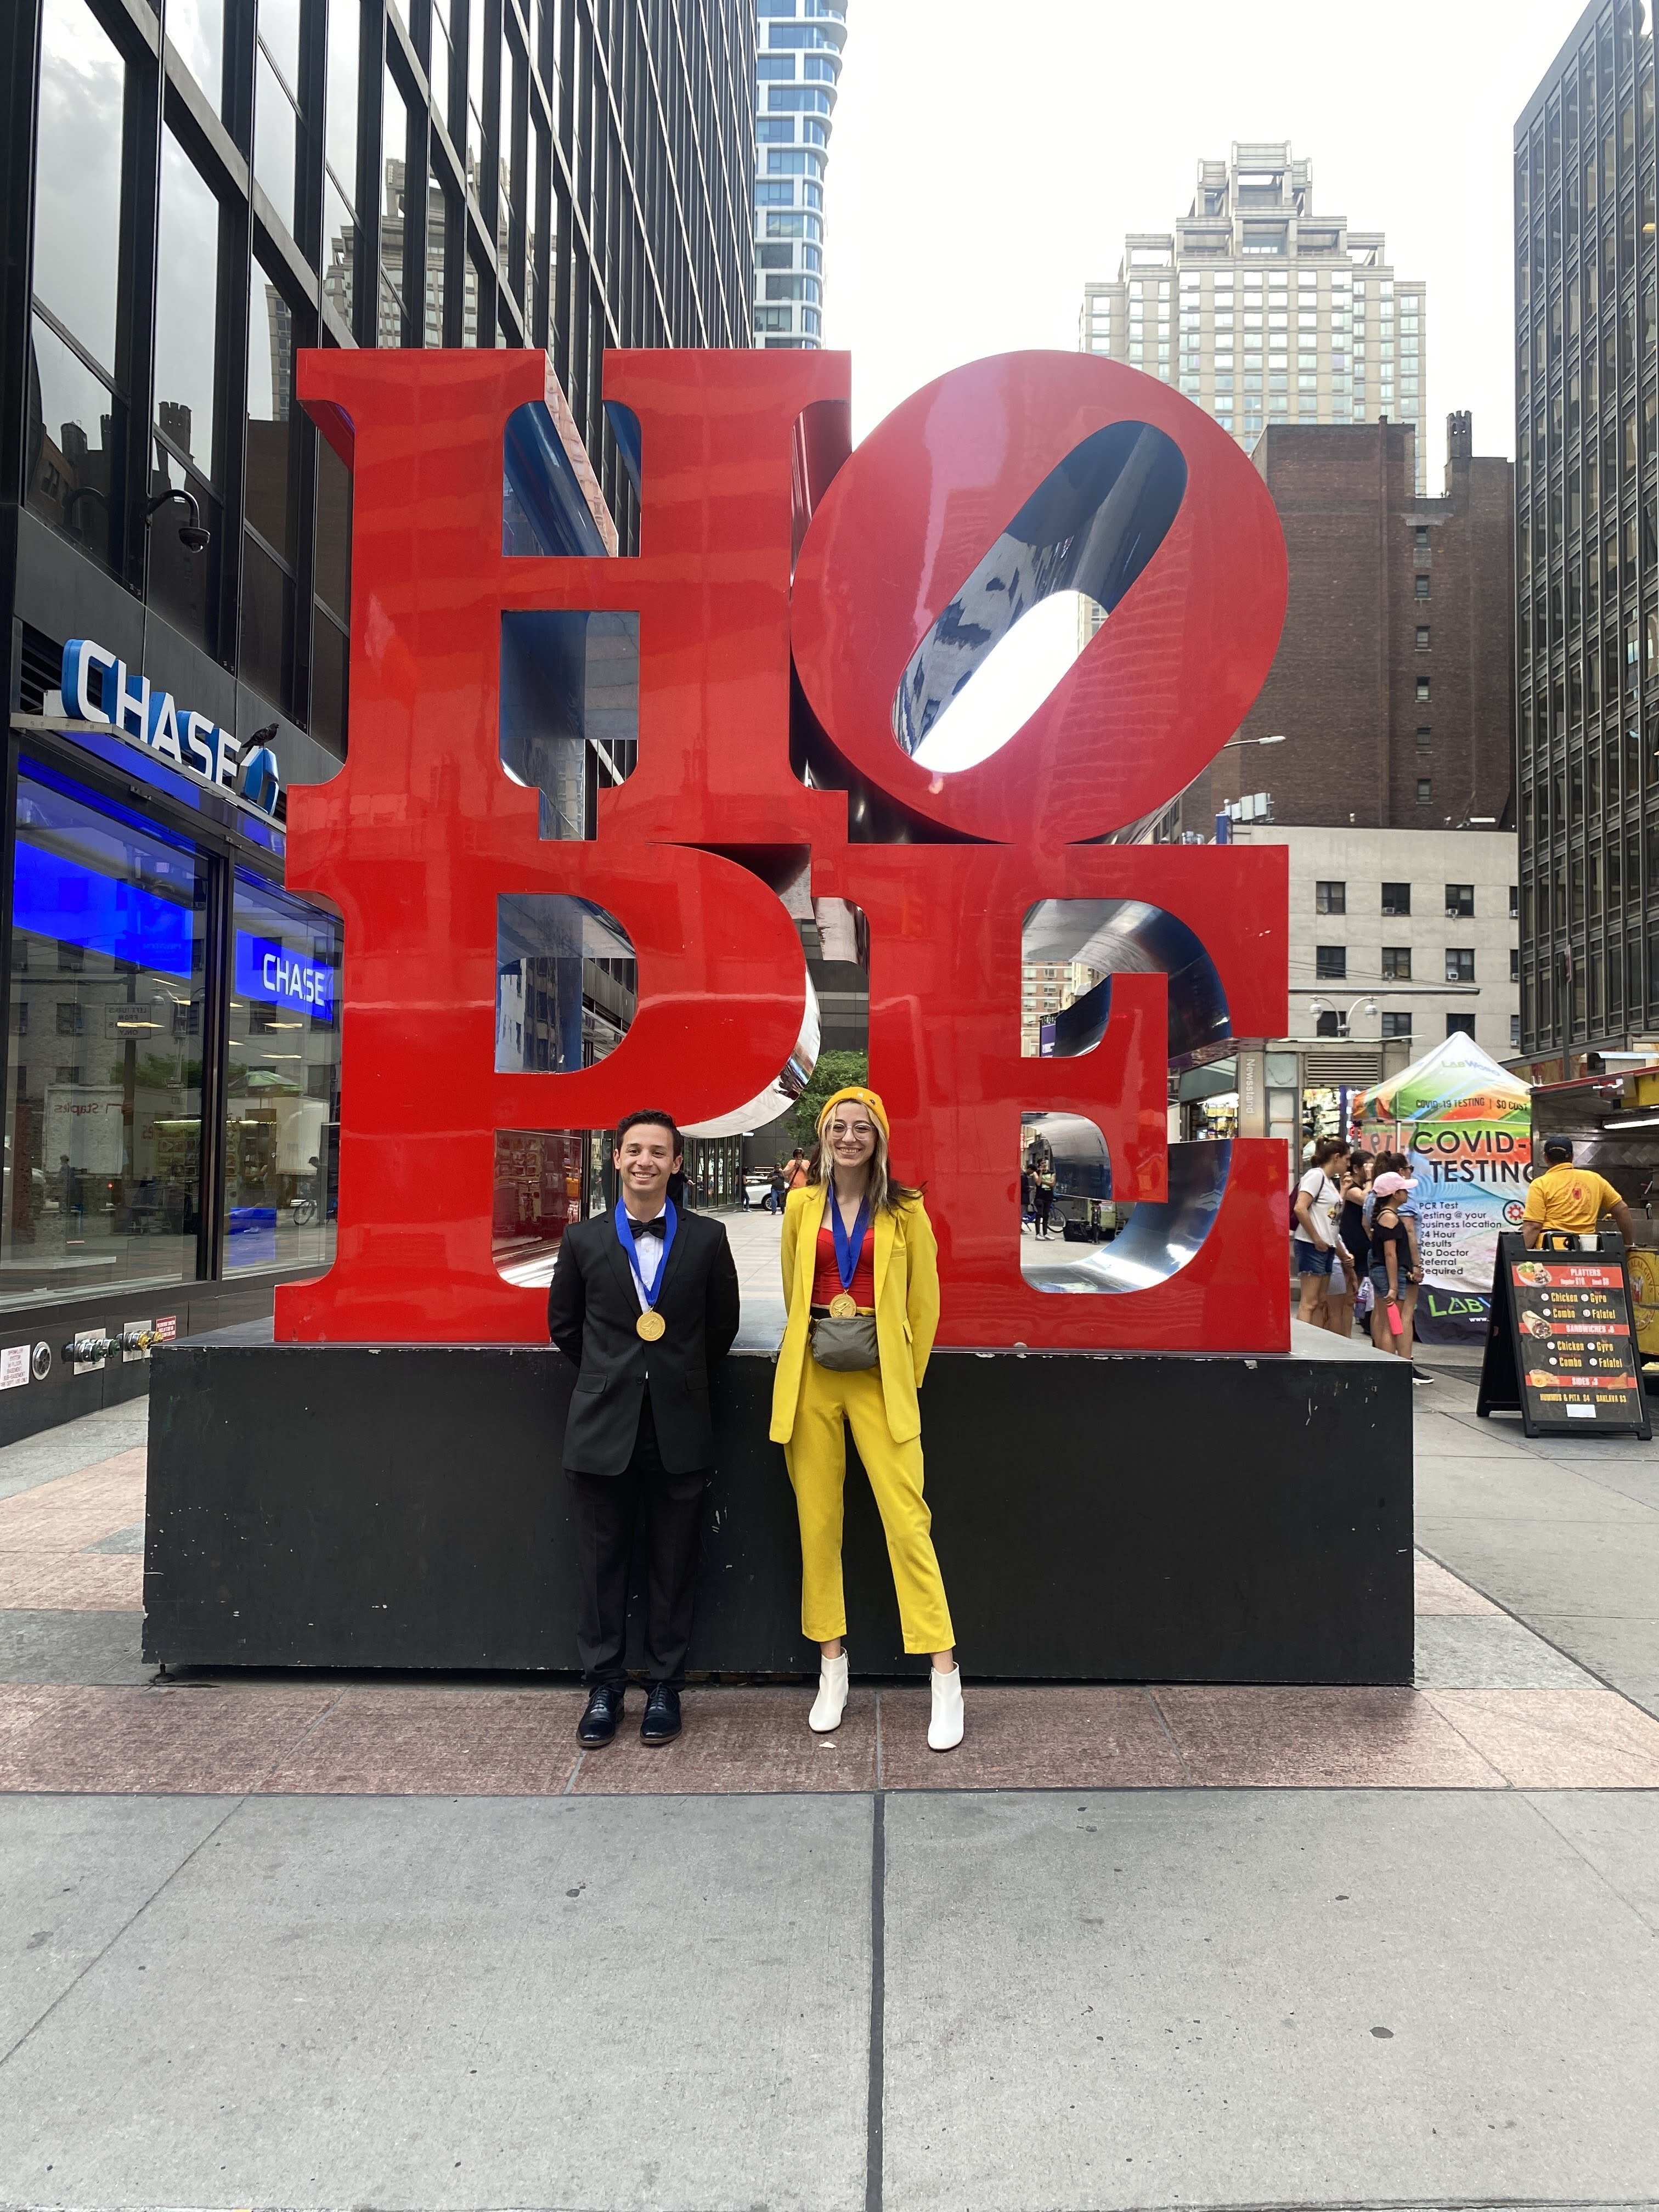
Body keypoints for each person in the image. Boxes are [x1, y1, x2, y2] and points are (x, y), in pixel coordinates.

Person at [770, 1085, 963, 1753]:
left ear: (879, 1138)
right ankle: (832, 1669)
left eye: (862, 1128)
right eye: (838, 1127)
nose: (849, 1138)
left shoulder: (907, 1212)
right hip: (814, 1376)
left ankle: (944, 1673)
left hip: (883, 1379)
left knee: (907, 1522)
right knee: (818, 1524)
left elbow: (927, 1306)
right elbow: (795, 1292)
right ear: (824, 1136)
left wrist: (903, 1383)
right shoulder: (800, 1206)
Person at [547, 1109, 740, 1748]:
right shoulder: (582, 1241)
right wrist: (616, 1379)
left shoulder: (709, 1240)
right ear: (616, 1158)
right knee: (602, 1567)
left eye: (658, 1152)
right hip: (604, 1428)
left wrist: (668, 1377)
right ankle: (604, 1688)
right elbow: (565, 1328)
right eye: (634, 1150)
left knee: (673, 1564)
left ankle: (664, 1687)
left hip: (680, 1427)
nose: (645, 1162)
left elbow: (720, 1330)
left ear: (676, 1163)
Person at [1522, 1138, 1637, 1249]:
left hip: (1552, 1249)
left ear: (1545, 1158)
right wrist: (1629, 1244)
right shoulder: (1595, 1179)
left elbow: (1533, 1226)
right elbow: (1622, 1209)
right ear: (1572, 1157)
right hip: (1588, 1248)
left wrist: (1519, 1254)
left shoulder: (1541, 1184)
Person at [1293, 1137, 1352, 1327]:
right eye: (1347, 1159)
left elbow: (1330, 1215)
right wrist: (1317, 1238)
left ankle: (1314, 1346)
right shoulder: (1316, 1176)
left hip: (1326, 1245)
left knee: (1319, 1302)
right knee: (1310, 1302)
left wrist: (1342, 1192)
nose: (1348, 1164)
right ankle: (1303, 1348)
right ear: (1336, 1157)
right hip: (1312, 1245)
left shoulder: (1327, 1182)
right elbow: (1300, 1208)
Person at [1367, 1173, 1415, 1359]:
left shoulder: (1385, 1215)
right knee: (1392, 1325)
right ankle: (1389, 1368)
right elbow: (1390, 1254)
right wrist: (1394, 1286)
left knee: (1387, 1322)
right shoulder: (1389, 1218)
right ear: (1395, 1194)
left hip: (1384, 1273)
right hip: (1389, 1275)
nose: (1407, 1193)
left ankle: (1383, 1364)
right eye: (1403, 1190)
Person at [1330, 1153, 1373, 1338]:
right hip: (1348, 1247)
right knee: (1345, 1298)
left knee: (1352, 1298)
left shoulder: (1364, 1187)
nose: (1370, 1170)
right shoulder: (1350, 1187)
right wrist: (1371, 1178)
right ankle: (1342, 1338)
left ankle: (1346, 1337)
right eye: (1367, 1166)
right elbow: (1366, 1200)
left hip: (1361, 1248)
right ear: (1356, 1168)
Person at [1031, 1165, 1056, 1239]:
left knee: (1046, 1215)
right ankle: (1038, 1234)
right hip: (1040, 1197)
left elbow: (1052, 1184)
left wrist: (1043, 1181)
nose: (1044, 1165)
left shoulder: (1052, 1173)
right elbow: (1038, 1183)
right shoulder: (1036, 1174)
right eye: (1042, 1163)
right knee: (1039, 1215)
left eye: (1045, 1163)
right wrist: (1041, 1173)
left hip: (1048, 1197)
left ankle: (1045, 1233)